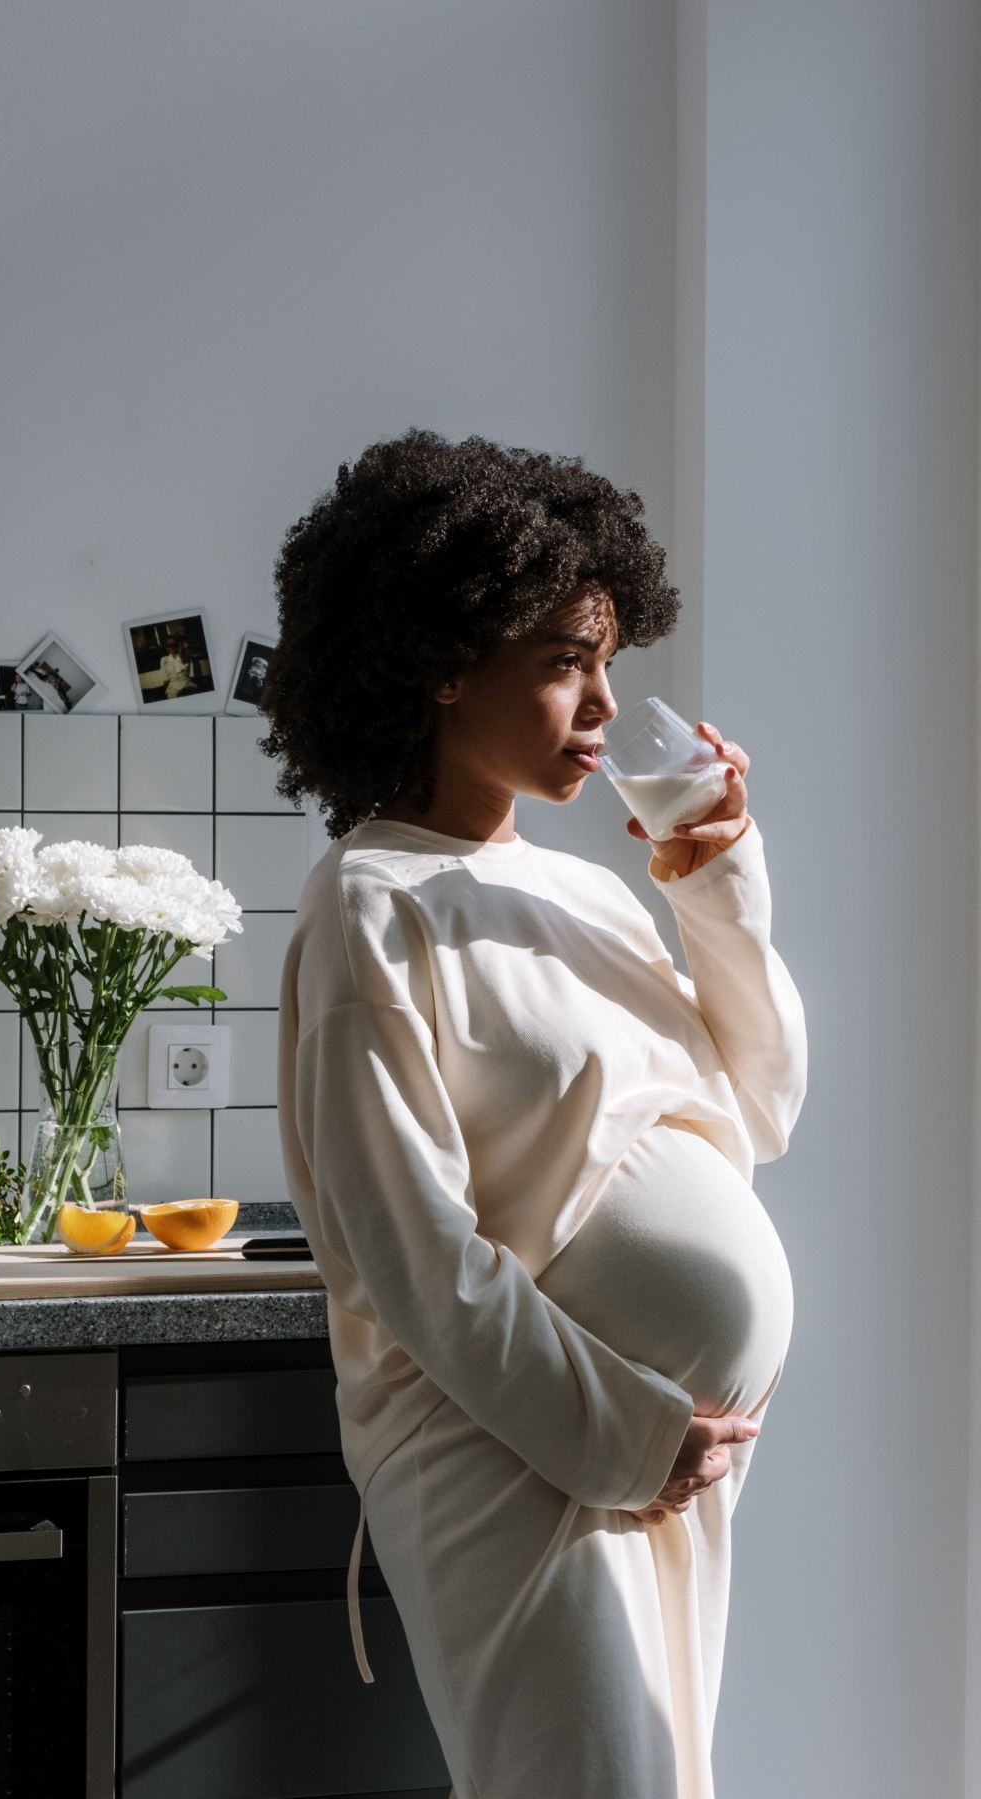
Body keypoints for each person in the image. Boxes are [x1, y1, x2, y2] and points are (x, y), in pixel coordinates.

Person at [263, 431, 806, 1799]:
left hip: (666, 1457)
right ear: (444, 659)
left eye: (609, 661)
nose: (606, 704)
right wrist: (631, 1433)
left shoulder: (592, 892)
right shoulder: (368, 905)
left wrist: (714, 880)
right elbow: (418, 1255)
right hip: (522, 1456)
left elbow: (760, 1110)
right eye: (568, 660)